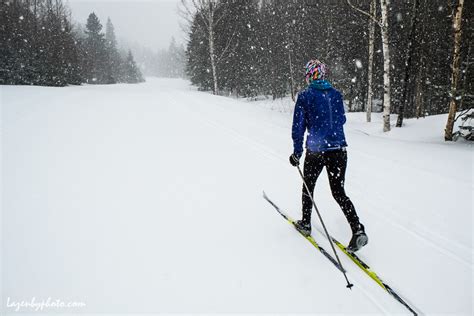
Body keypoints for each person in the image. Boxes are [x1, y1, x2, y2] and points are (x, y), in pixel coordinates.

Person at [289, 59, 368, 253]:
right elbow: (341, 119)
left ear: (309, 75)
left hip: (316, 151)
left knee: (308, 186)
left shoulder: (305, 96)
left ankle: (306, 223)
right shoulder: (336, 94)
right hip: (339, 150)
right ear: (323, 74)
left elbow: (298, 126)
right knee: (339, 192)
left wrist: (297, 152)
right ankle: (357, 229)